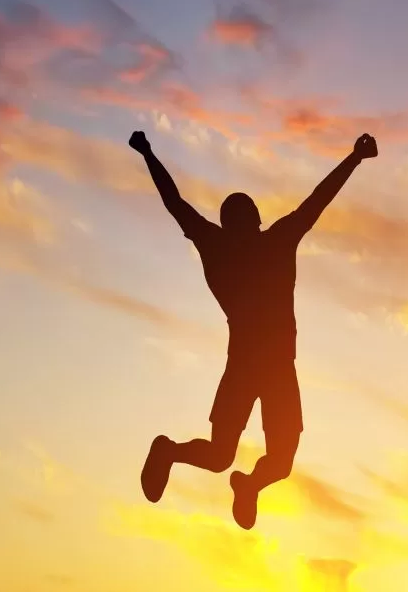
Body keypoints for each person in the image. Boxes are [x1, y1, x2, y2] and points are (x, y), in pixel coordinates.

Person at [131, 129, 378, 529]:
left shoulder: (247, 243)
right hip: (251, 366)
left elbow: (316, 202)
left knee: (271, 462)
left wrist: (148, 153)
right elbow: (176, 204)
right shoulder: (251, 243)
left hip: (274, 368)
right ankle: (171, 453)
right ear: (243, 224)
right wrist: (354, 158)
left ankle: (246, 486)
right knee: (224, 456)